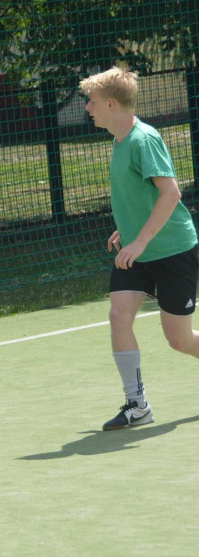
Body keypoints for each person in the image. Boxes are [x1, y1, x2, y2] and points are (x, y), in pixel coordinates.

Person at [80, 66, 199, 431]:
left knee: (178, 340)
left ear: (111, 103)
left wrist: (142, 238)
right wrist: (127, 228)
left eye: (92, 101)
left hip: (172, 249)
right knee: (119, 315)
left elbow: (170, 193)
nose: (88, 108)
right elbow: (142, 196)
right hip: (136, 250)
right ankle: (137, 404)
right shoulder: (119, 141)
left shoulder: (143, 140)